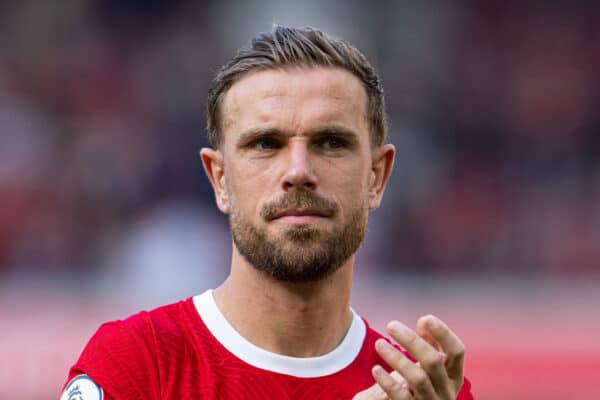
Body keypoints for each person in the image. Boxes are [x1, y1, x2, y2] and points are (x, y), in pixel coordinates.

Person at [61, 26, 473, 400]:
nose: (298, 172)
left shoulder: (422, 390)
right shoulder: (135, 364)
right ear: (219, 179)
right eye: (265, 143)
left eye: (330, 143)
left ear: (376, 177)